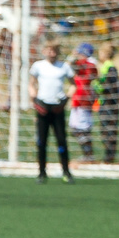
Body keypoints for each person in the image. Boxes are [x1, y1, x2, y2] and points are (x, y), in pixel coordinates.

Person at [29, 43, 74, 183]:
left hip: (57, 108)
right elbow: (31, 84)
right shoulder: (38, 66)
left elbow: (74, 84)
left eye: (54, 50)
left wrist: (65, 100)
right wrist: (35, 100)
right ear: (44, 51)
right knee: (42, 142)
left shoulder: (64, 67)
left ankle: (66, 172)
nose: (51, 53)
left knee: (61, 140)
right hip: (43, 108)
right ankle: (42, 173)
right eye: (49, 50)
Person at [69, 42, 98, 161]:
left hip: (84, 100)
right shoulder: (84, 63)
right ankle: (87, 154)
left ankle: (89, 155)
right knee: (74, 128)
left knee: (83, 129)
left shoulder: (90, 64)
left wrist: (73, 56)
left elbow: (73, 66)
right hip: (77, 100)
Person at [94, 42, 119, 164]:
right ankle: (108, 156)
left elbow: (110, 87)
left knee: (108, 130)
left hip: (109, 105)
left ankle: (109, 157)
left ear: (105, 54)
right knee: (105, 130)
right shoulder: (106, 66)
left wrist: (97, 86)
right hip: (106, 103)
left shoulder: (110, 67)